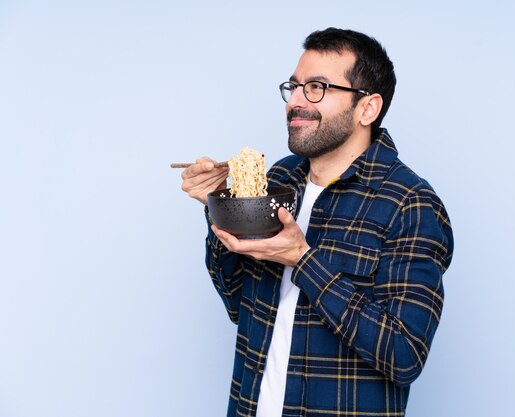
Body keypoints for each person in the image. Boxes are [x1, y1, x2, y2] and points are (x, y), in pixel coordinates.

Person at [180, 27, 453, 417]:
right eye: (293, 86)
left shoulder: (411, 204)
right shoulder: (279, 180)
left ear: (367, 108)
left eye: (317, 87)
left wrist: (303, 259)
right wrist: (220, 205)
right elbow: (239, 302)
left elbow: (404, 355)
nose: (296, 101)